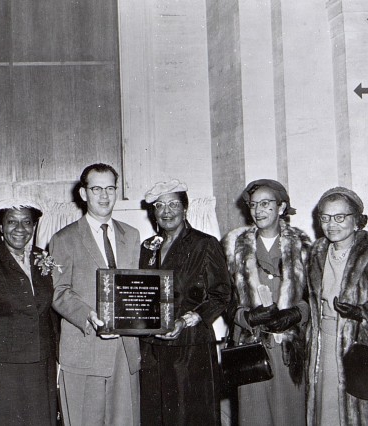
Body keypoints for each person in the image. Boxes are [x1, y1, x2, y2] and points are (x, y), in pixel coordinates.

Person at [50, 163, 141, 426]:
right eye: (97, 188)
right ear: (83, 193)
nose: (104, 195)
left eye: (110, 188)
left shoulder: (132, 235)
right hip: (84, 350)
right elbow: (59, 291)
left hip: (125, 352)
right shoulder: (64, 238)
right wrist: (89, 316)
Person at [139, 180, 230, 425]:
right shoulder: (148, 248)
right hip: (153, 349)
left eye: (173, 204)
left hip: (190, 347)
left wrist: (184, 320)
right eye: (160, 205)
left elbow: (221, 294)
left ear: (185, 209)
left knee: (189, 414)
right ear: (154, 212)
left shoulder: (204, 243)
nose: (166, 211)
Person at [222, 179, 309, 426]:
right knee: (254, 417)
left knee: (290, 415)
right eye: (253, 205)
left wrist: (296, 314)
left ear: (281, 208)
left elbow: (312, 296)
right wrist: (245, 317)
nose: (258, 210)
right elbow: (224, 297)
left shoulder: (302, 245)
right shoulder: (234, 246)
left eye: (266, 204)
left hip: (288, 350)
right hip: (251, 347)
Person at [0, 199, 59, 425]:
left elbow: (50, 315)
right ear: (0, 227)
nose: (20, 229)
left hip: (41, 366)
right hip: (3, 370)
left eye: (26, 222)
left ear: (34, 226)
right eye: (12, 222)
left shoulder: (42, 258)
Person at [306, 187, 368, 425]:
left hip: (361, 348)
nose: (332, 224)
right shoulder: (316, 253)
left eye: (340, 217)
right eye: (325, 218)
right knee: (327, 413)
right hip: (323, 346)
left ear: (357, 221)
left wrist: (363, 312)